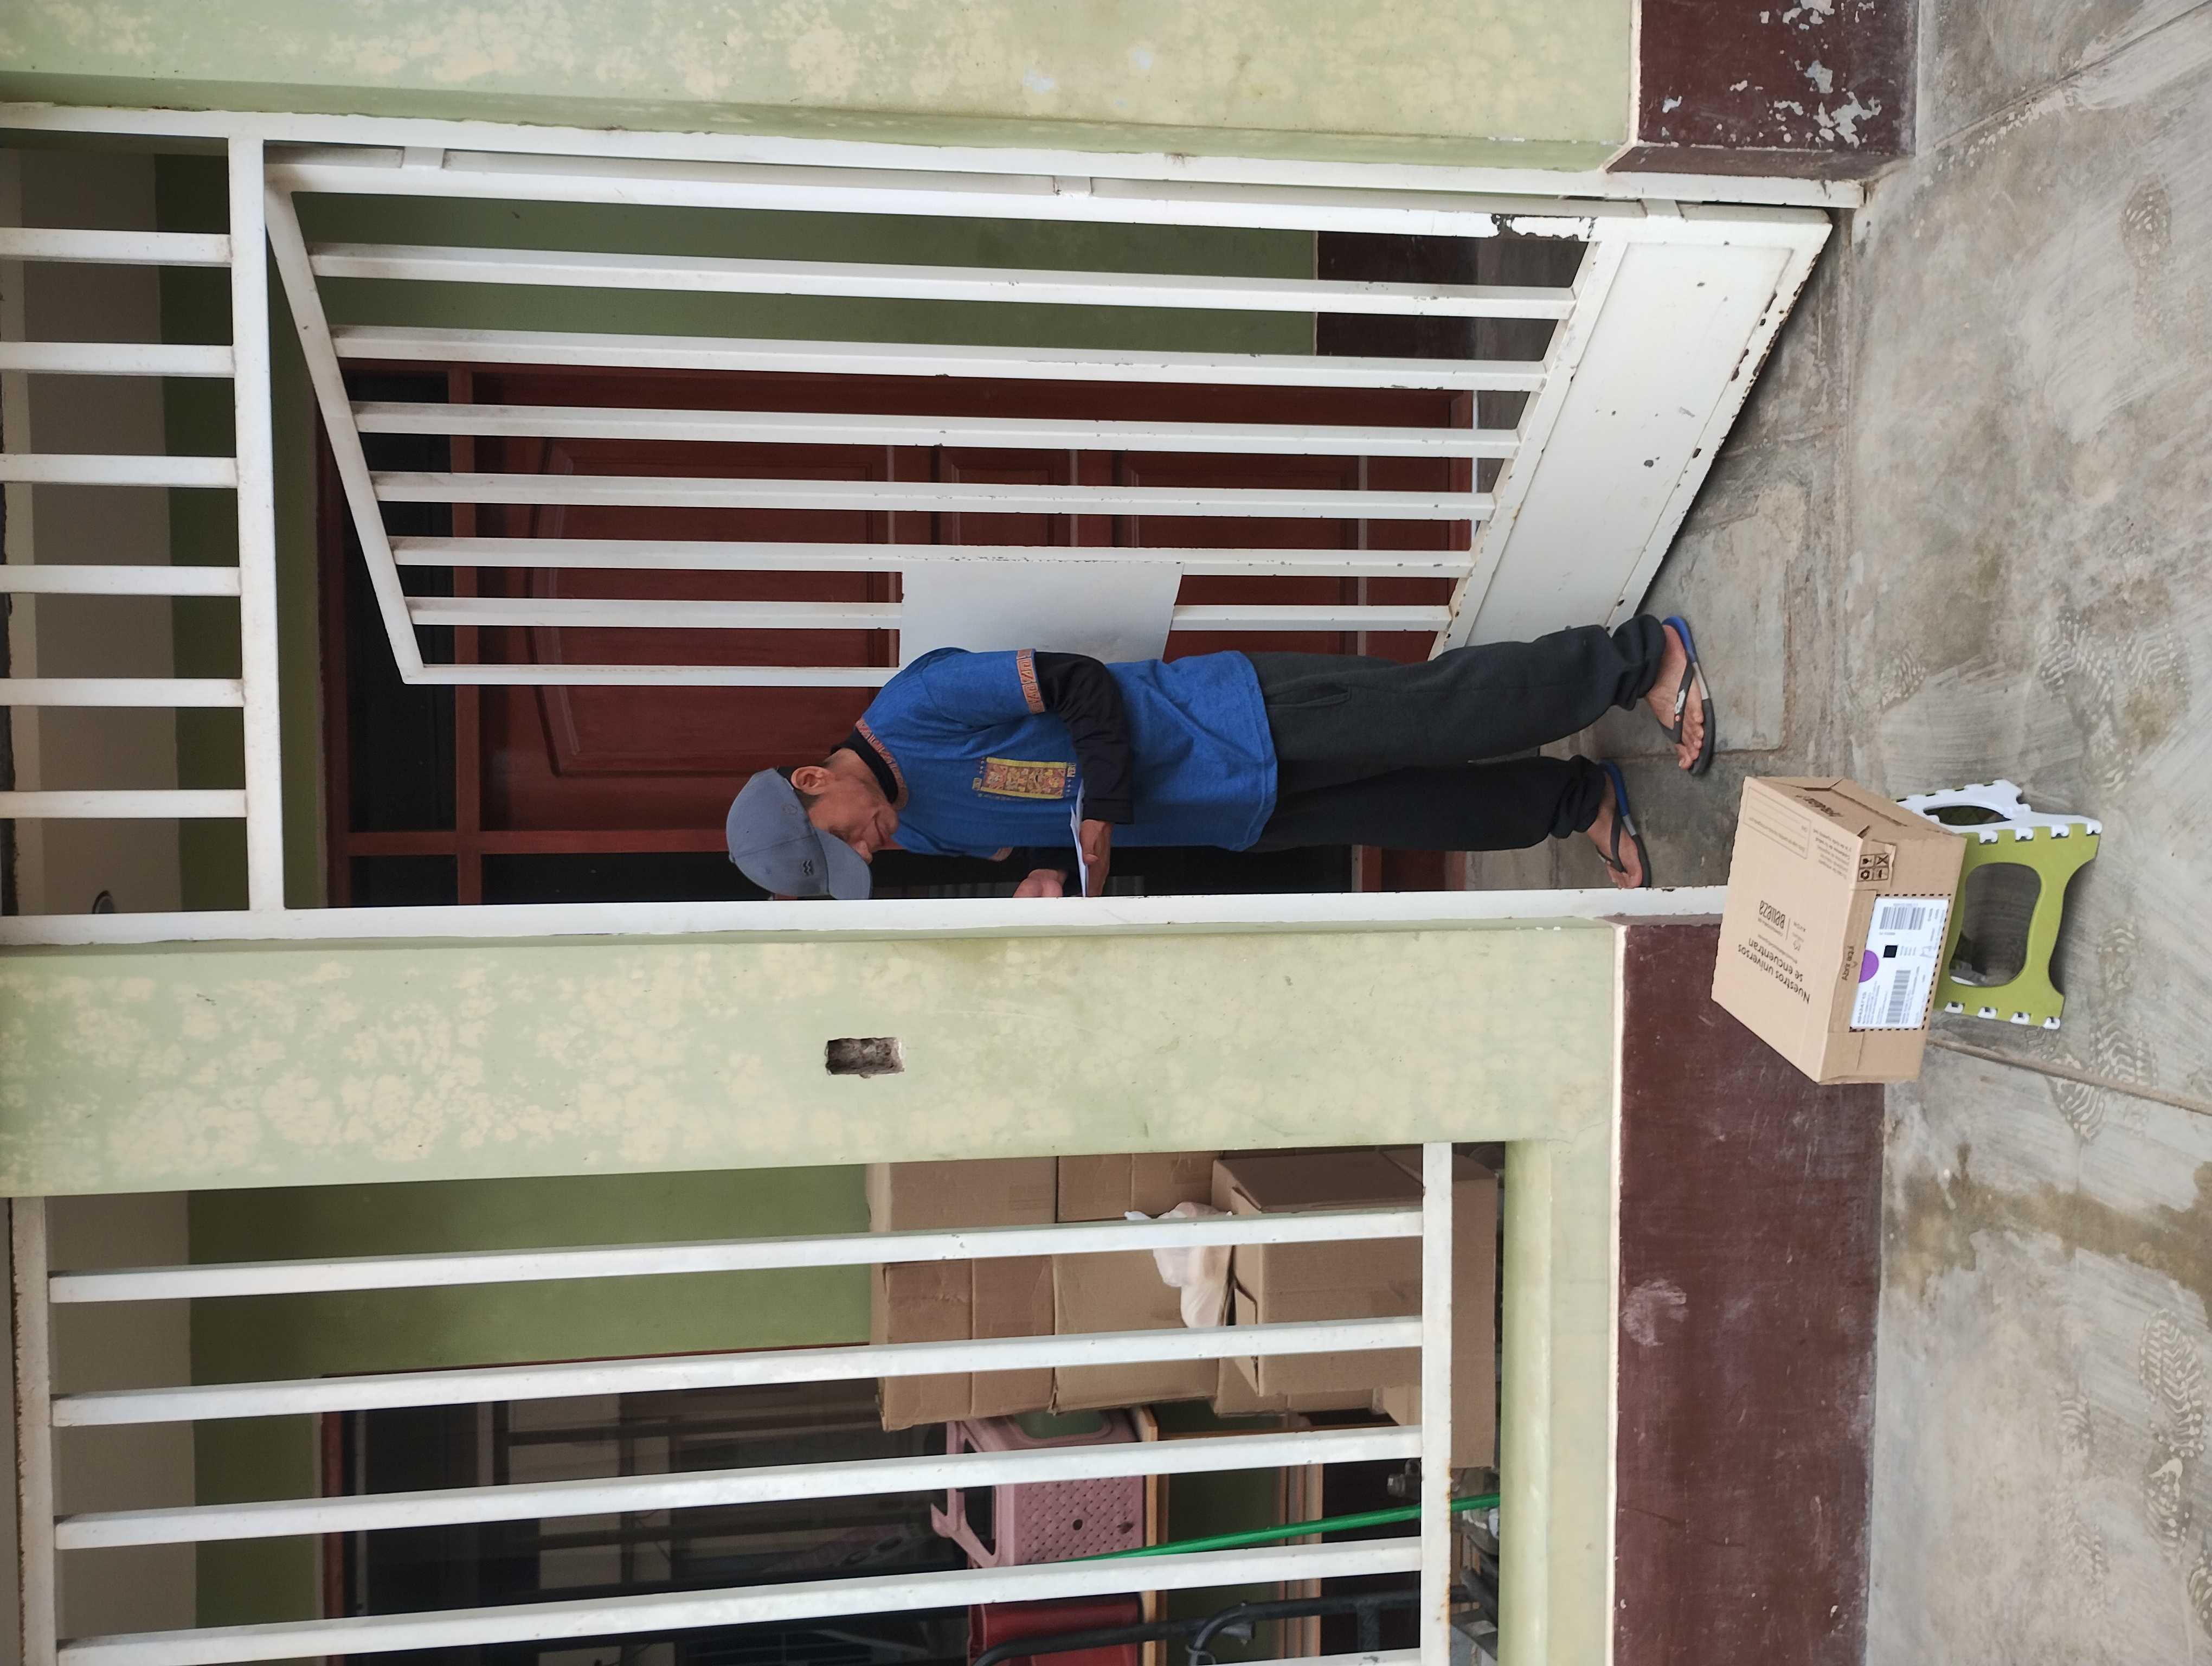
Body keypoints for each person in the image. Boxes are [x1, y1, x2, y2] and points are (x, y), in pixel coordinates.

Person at [724, 616, 1713, 900]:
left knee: (1440, 713)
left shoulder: (918, 707)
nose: (870, 847)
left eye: (845, 838)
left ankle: (1638, 660)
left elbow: (1077, 684)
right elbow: (1036, 840)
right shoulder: (918, 830)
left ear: (815, 781)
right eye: (856, 862)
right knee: (1421, 812)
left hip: (1235, 719)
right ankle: (1576, 800)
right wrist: (1045, 883)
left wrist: (1101, 809)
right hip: (1228, 812)